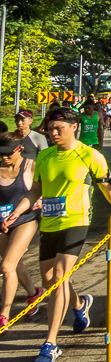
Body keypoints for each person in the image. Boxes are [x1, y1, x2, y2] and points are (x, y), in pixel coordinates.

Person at [1, 108, 111, 362]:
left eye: (59, 128)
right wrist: (15, 212)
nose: (53, 133)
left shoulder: (90, 155)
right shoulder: (44, 156)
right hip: (50, 222)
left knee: (58, 278)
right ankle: (79, 305)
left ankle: (50, 343)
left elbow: (107, 187)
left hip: (76, 221)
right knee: (51, 281)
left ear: (74, 126)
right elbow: (35, 190)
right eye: (50, 129)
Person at [0, 134, 45, 328]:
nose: (4, 157)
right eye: (1, 153)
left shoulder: (31, 166)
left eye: (7, 153)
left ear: (19, 149)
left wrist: (40, 201)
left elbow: (46, 189)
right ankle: (34, 293)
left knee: (6, 266)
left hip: (25, 220)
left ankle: (4, 315)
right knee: (14, 263)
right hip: (2, 223)